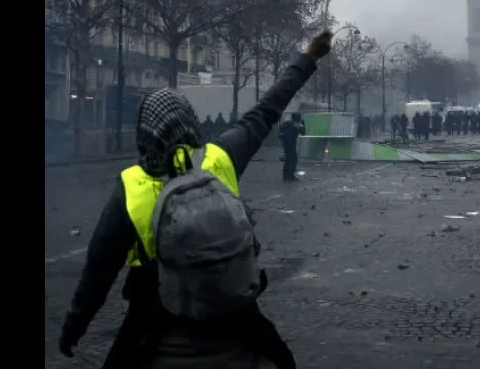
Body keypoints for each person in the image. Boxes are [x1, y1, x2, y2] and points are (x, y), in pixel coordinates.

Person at [58, 30, 333, 369]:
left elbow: (96, 276)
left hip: (155, 322)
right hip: (236, 316)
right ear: (190, 119)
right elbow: (267, 109)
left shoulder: (132, 186)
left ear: (145, 133)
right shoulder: (220, 157)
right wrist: (308, 57)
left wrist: (73, 329)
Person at [278, 112, 305, 182]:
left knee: (288, 160)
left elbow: (280, 134)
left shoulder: (287, 123)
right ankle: (290, 176)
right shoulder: (295, 124)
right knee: (293, 160)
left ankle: (286, 176)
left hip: (286, 144)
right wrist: (302, 124)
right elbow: (303, 132)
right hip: (291, 144)